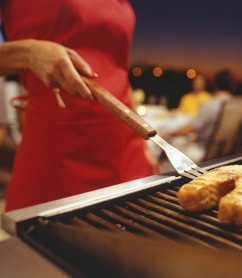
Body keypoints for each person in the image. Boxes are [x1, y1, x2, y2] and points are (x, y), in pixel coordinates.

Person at [0, 0, 155, 211]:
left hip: (125, 140)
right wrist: (27, 52)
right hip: (58, 144)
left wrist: (144, 144)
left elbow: (118, 70)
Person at [167, 70, 235, 162]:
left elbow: (190, 129)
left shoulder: (211, 104)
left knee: (173, 144)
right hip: (225, 150)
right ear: (232, 85)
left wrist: (169, 134)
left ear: (215, 84)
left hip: (203, 149)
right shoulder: (235, 103)